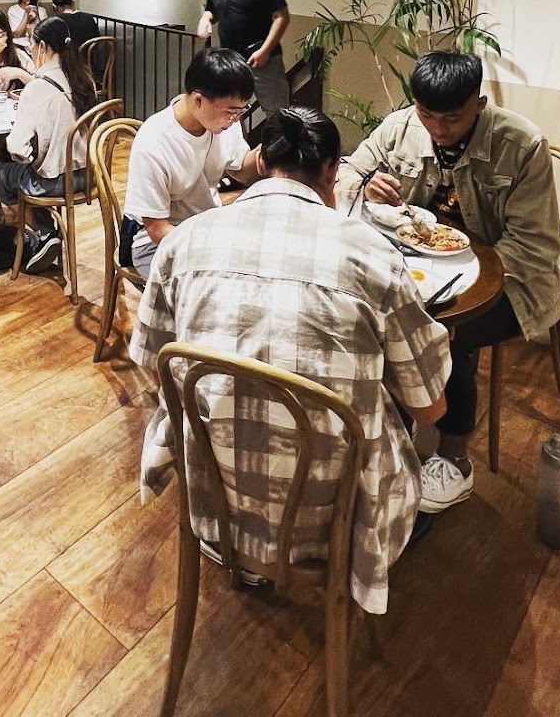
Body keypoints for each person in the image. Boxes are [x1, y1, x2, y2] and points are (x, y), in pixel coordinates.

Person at [131, 107, 451, 614]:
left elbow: (153, 361)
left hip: (214, 498)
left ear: (261, 162)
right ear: (332, 170)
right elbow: (430, 407)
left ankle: (244, 553)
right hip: (333, 523)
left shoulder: (184, 240)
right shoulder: (373, 256)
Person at [339, 50, 560, 514]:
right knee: (372, 322)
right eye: (427, 114)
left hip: (510, 282)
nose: (437, 129)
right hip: (422, 272)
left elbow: (533, 245)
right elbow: (346, 171)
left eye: (452, 118)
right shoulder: (402, 127)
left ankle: (454, 459)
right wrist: (365, 184)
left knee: (441, 332)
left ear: (479, 105)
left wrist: (465, 277)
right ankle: (392, 440)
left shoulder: (521, 145)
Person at [122, 47, 260, 279]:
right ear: (198, 100)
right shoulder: (154, 143)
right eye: (231, 111)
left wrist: (268, 155)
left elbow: (241, 170)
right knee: (217, 284)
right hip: (157, 244)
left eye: (241, 110)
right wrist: (211, 246)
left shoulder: (225, 123)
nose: (236, 119)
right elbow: (157, 230)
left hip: (207, 227)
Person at [0, 15, 98, 271]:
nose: (31, 49)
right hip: (90, 174)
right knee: (22, 173)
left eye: (33, 44)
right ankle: (48, 233)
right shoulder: (85, 79)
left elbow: (16, 147)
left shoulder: (37, 88)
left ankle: (45, 231)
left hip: (56, 181)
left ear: (43, 47)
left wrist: (29, 157)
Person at [196, 0, 291, 119]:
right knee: (228, 111)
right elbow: (212, 10)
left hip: (262, 60)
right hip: (230, 60)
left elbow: (282, 17)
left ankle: (280, 140)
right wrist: (204, 19)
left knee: (278, 113)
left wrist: (264, 51)